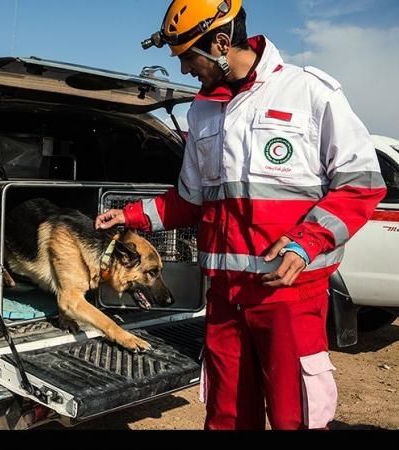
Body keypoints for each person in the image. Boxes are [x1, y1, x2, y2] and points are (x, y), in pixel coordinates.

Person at [96, 0, 387, 430]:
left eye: (189, 58)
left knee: (296, 419)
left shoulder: (309, 93)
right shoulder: (202, 111)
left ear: (220, 43)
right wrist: (132, 216)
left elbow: (361, 184)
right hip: (226, 302)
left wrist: (308, 242)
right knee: (226, 417)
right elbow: (190, 200)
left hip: (288, 299)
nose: (184, 71)